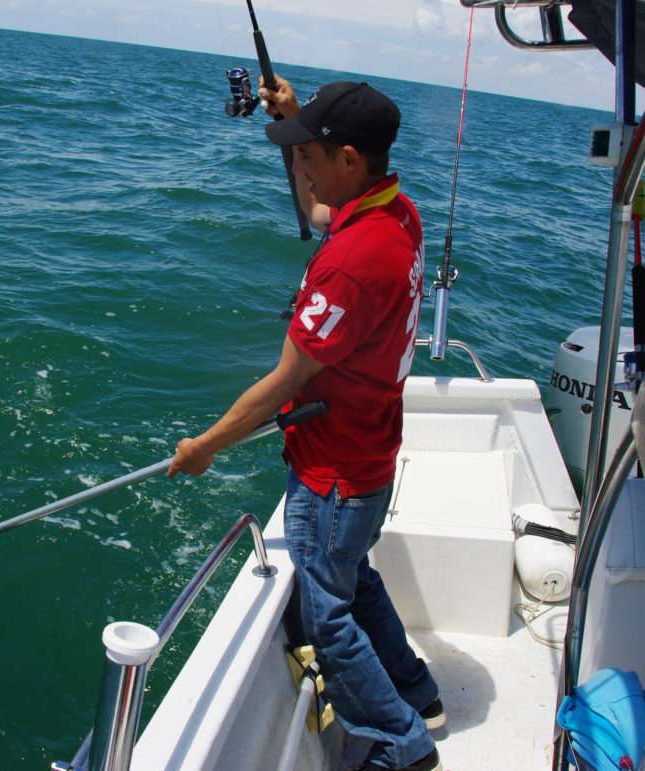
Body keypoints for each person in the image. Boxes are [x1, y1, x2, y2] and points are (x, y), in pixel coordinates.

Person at [166, 78, 443, 771]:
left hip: (334, 472)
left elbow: (282, 384)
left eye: (312, 155)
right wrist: (294, 122)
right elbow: (320, 211)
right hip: (372, 458)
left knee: (327, 614)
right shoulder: (397, 213)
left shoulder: (350, 265)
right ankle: (414, 683)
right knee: (355, 573)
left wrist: (204, 447)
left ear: (351, 159)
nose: (304, 169)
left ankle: (399, 741)